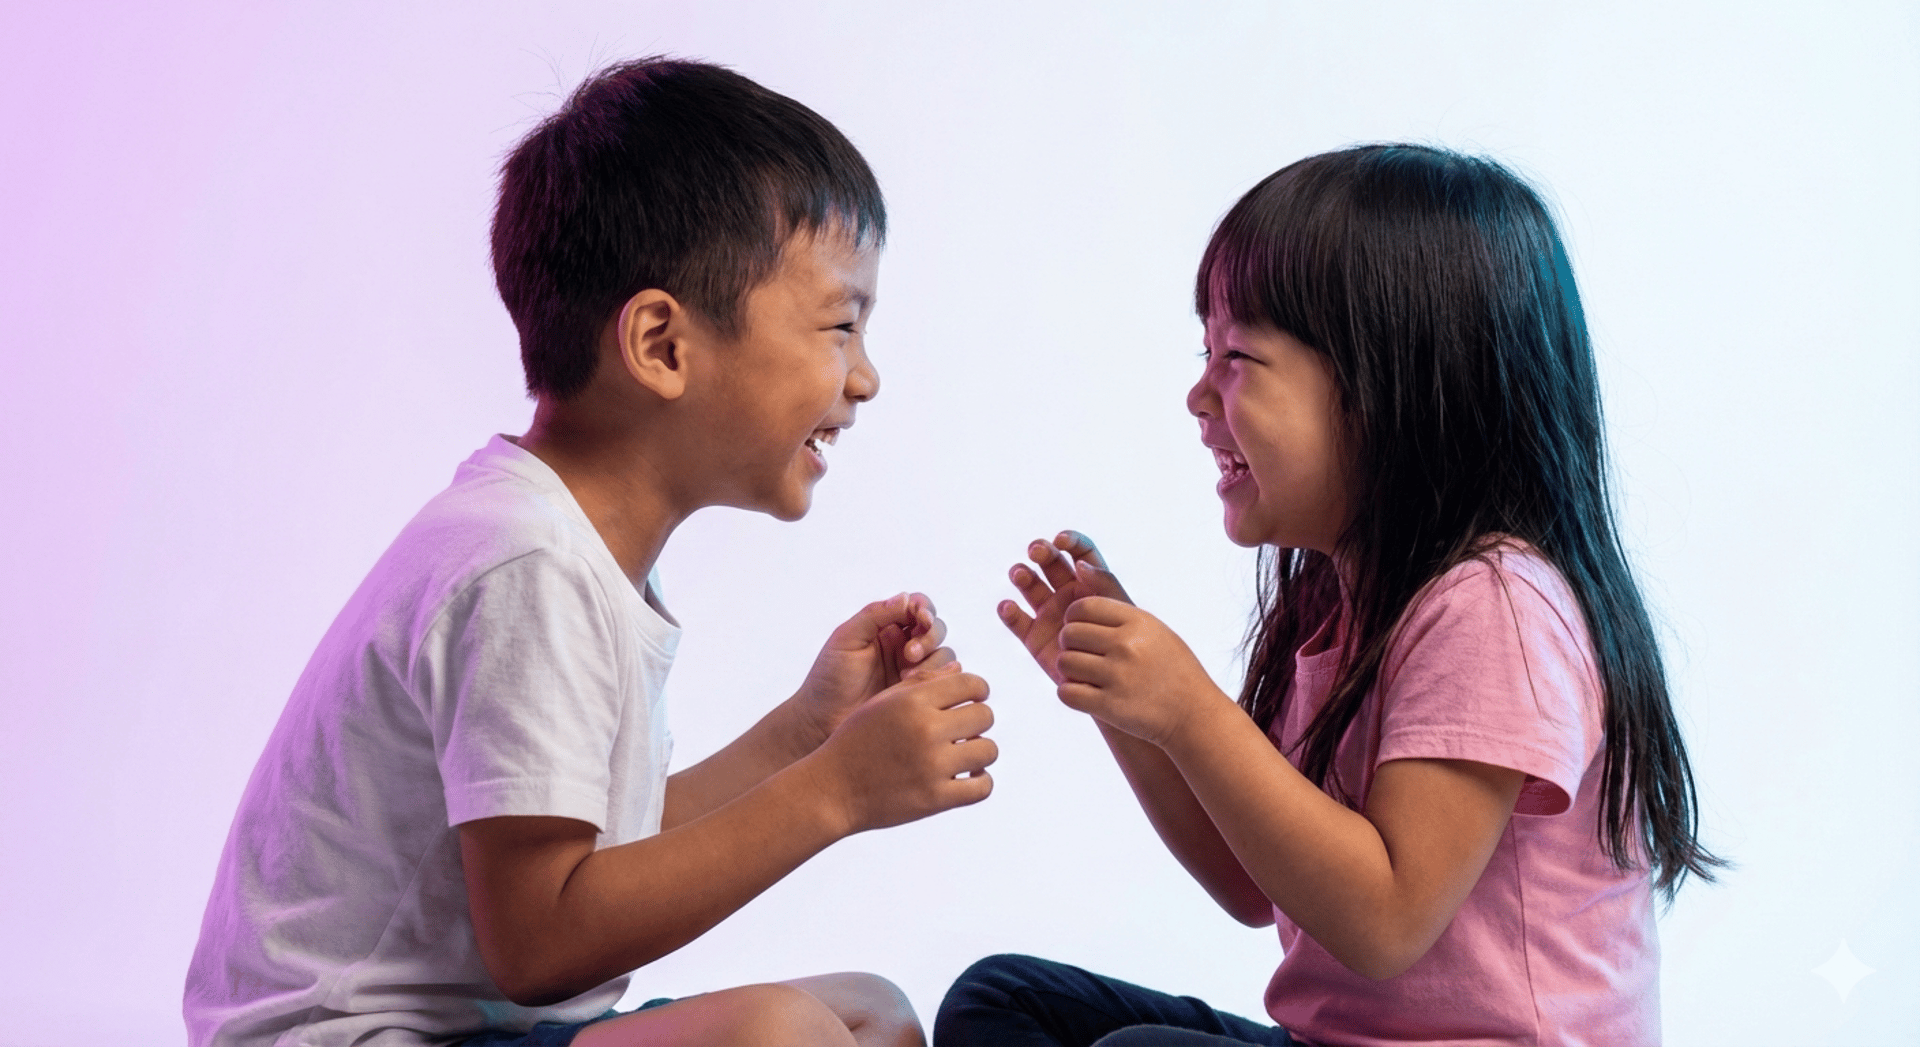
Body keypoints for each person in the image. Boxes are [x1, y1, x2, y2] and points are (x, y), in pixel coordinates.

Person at [185, 57, 997, 1047]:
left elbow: (596, 850)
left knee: (868, 1013)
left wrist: (807, 734)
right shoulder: (525, 564)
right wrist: (838, 791)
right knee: (777, 1034)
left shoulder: (564, 546)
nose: (864, 378)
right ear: (661, 345)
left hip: (477, 1033)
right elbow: (543, 943)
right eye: (841, 324)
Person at [936, 144, 1723, 1047]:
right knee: (1000, 1000)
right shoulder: (1340, 597)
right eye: (1206, 350)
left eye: (1238, 355)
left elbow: (1386, 920)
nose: (1199, 394)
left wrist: (1191, 710)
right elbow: (1248, 879)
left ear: (1388, 386)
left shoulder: (1494, 606)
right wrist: (1131, 707)